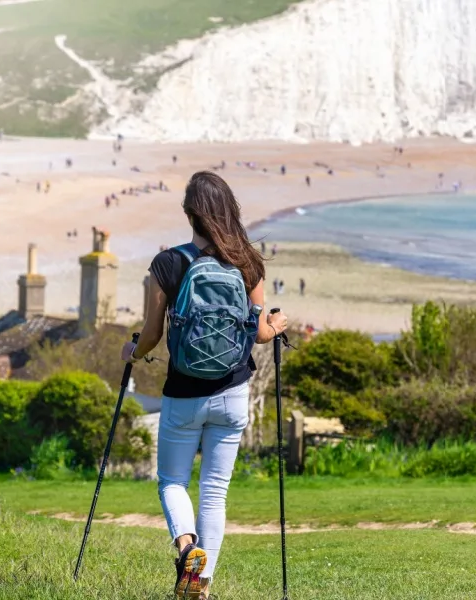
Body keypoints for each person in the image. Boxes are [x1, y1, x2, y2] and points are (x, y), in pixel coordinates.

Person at [121, 171, 287, 600]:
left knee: (173, 482)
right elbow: (257, 334)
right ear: (229, 209)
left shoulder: (168, 263)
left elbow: (153, 333)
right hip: (233, 392)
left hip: (183, 392)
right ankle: (203, 582)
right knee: (215, 491)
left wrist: (133, 353)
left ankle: (186, 547)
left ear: (188, 214)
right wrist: (276, 325)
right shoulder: (248, 261)